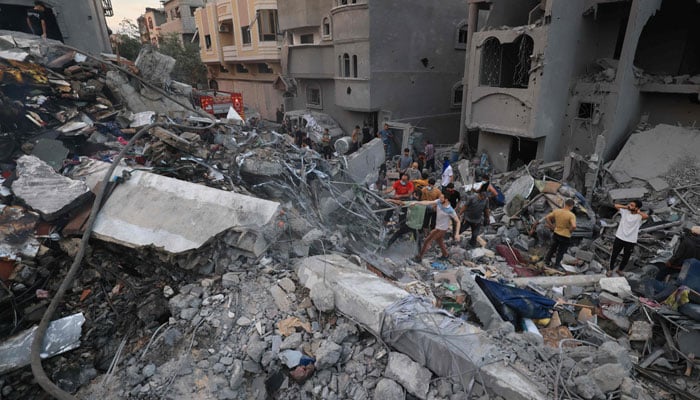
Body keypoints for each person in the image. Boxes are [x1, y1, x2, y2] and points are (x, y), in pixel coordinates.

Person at [411, 194, 461, 262]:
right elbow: (428, 202)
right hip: (438, 227)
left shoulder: (450, 210)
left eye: (442, 198)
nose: (440, 199)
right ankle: (445, 254)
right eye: (440, 197)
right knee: (439, 241)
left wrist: (457, 234)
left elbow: (458, 221)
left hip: (442, 229)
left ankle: (419, 257)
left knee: (427, 241)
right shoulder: (439, 202)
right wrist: (417, 202)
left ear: (446, 199)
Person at [608, 200, 649, 276]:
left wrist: (638, 212)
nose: (630, 206)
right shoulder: (625, 212)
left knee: (626, 256)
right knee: (614, 254)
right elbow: (616, 205)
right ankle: (610, 269)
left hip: (631, 240)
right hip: (620, 236)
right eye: (630, 204)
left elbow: (646, 216)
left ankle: (620, 270)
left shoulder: (639, 216)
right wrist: (626, 207)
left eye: (632, 205)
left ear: (637, 208)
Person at [544, 199, 577, 270]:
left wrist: (552, 226)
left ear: (565, 204)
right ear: (571, 206)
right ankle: (556, 265)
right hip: (565, 236)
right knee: (561, 252)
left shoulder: (557, 211)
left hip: (556, 233)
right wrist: (570, 231)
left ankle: (547, 261)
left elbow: (547, 217)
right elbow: (574, 226)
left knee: (552, 248)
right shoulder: (571, 215)